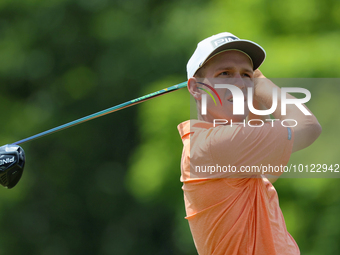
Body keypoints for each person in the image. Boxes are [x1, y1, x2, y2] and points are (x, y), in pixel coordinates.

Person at [177, 32, 322, 255]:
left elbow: (266, 168)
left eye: (246, 75)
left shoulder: (218, 148)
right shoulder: (214, 145)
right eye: (225, 73)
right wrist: (263, 85)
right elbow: (308, 127)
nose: (239, 84)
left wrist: (252, 96)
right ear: (196, 88)